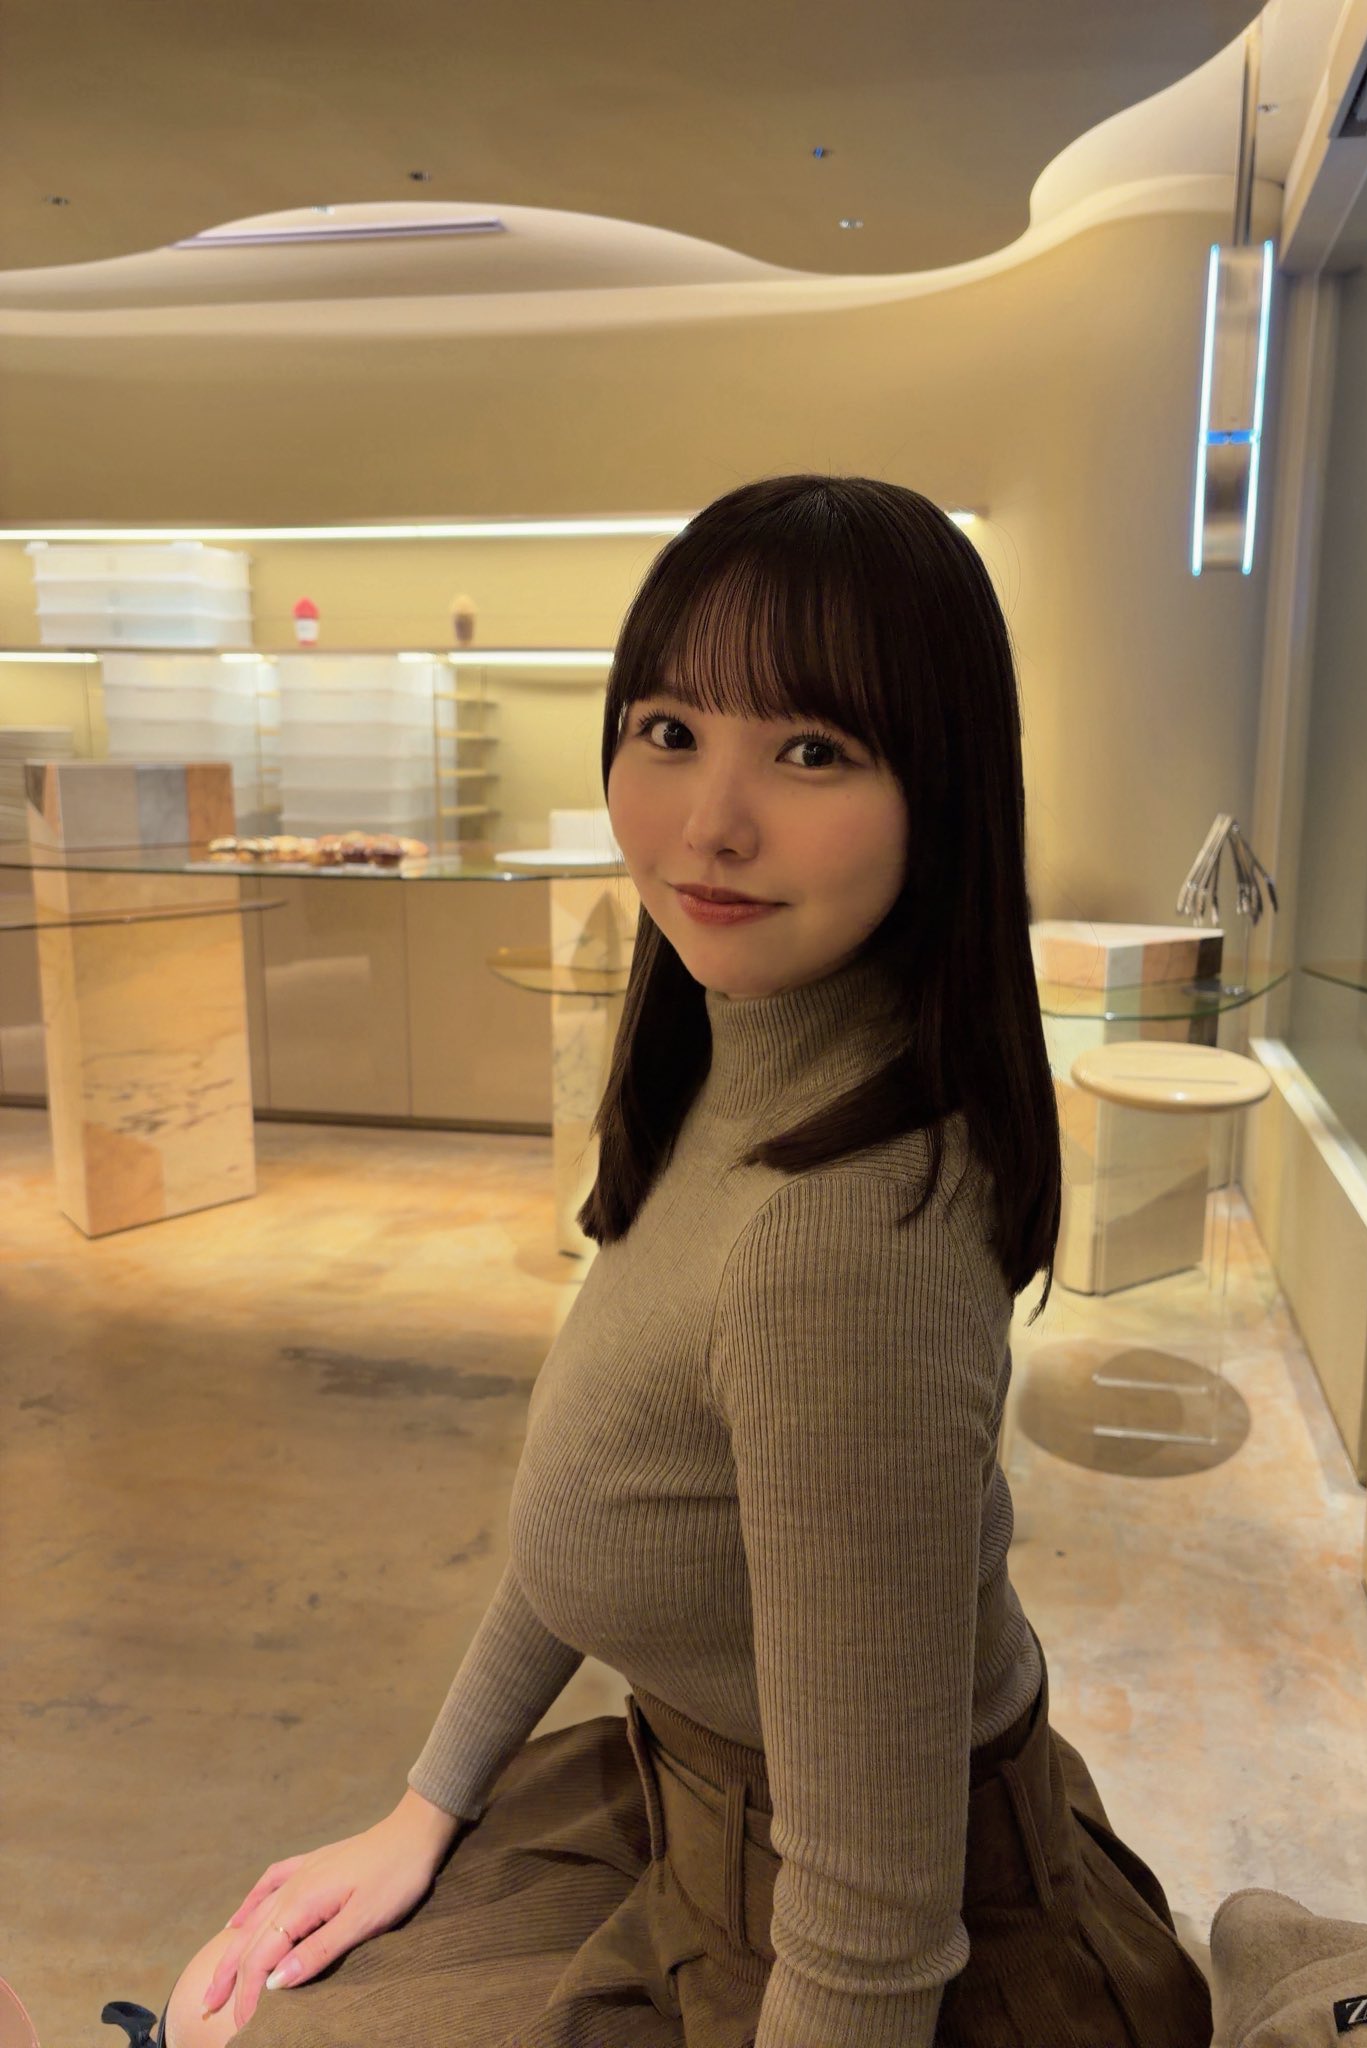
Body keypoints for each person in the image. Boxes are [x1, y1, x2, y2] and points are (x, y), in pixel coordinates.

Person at [113, 474, 1213, 2048]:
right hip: (685, 1799)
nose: (711, 823)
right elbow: (599, 1500)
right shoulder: (735, 1061)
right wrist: (423, 1809)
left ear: (944, 788)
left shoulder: (842, 1252)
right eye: (671, 729)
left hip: (840, 1937)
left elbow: (875, 1935)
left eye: (813, 750)